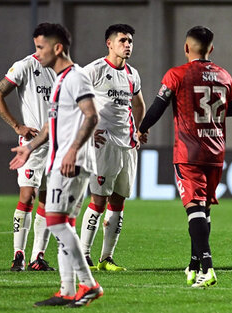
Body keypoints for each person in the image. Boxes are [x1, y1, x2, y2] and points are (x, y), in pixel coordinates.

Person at [9, 22, 103, 307]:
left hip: (71, 163)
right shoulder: (60, 80)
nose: (36, 54)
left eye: (40, 48)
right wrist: (28, 148)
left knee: (57, 222)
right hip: (58, 161)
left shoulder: (75, 77)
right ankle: (67, 289)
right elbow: (51, 127)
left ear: (57, 47)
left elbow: (91, 116)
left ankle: (88, 285)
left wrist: (73, 150)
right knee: (62, 223)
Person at [138, 26, 232, 288]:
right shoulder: (225, 75)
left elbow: (158, 106)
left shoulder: (176, 74)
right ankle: (193, 265)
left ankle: (208, 268)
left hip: (188, 153)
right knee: (203, 210)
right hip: (215, 152)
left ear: (186, 48)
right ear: (211, 49)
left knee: (194, 210)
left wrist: (141, 128)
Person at [79, 24, 146, 272]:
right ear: (109, 43)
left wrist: (140, 129)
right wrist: (84, 128)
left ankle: (106, 258)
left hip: (127, 145)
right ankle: (83, 254)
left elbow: (139, 105)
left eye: (130, 41)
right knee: (99, 199)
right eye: (123, 40)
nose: (127, 45)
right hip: (103, 144)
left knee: (119, 201)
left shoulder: (132, 74)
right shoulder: (94, 70)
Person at [0, 39, 56, 272]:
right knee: (28, 196)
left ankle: (38, 257)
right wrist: (17, 126)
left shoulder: (61, 71)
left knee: (48, 200)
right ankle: (18, 255)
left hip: (56, 145)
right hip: (32, 144)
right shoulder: (24, 66)